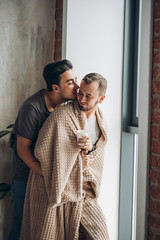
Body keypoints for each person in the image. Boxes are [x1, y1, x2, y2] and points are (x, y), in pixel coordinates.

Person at [20, 72, 109, 240]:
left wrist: (88, 151)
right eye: (80, 92)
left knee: (100, 236)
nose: (81, 98)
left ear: (101, 99)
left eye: (88, 96)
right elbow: (42, 150)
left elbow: (96, 157)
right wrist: (76, 162)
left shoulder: (101, 121)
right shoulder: (63, 115)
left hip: (84, 192)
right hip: (60, 189)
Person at [8, 59, 81, 240]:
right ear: (55, 88)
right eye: (70, 82)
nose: (77, 86)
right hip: (26, 178)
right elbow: (23, 150)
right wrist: (48, 175)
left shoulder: (66, 108)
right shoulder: (32, 108)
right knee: (21, 226)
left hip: (49, 178)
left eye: (76, 80)